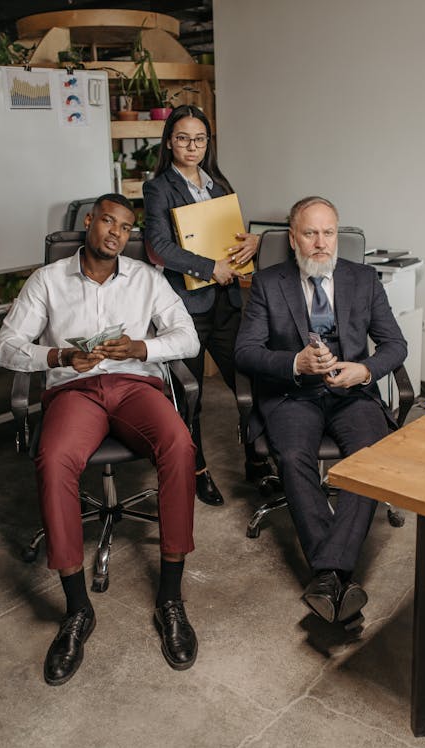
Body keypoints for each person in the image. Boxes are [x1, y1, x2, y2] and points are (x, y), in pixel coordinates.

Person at [0, 193, 200, 684]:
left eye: (125, 227)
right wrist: (58, 358)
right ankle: (77, 609)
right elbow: (5, 345)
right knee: (55, 456)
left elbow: (187, 337)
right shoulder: (47, 280)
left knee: (180, 445)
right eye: (108, 221)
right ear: (90, 222)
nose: (115, 233)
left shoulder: (148, 280)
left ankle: (170, 599)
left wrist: (141, 346)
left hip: (134, 385)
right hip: (76, 390)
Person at [234, 196, 407, 626]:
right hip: (293, 395)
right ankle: (337, 578)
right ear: (292, 238)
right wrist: (295, 363)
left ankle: (327, 577)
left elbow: (395, 345)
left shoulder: (364, 280)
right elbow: (245, 352)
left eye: (328, 233)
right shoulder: (269, 283)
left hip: (351, 395)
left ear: (337, 235)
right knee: (294, 458)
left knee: (368, 459)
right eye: (310, 233)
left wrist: (363, 370)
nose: (320, 243)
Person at [143, 105, 270, 507]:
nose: (192, 146)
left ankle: (258, 459)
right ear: (169, 142)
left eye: (199, 139)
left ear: (207, 142)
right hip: (189, 306)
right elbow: (159, 247)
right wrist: (207, 266)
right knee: (190, 395)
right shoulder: (159, 187)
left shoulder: (218, 182)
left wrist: (253, 241)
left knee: (249, 383)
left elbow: (231, 234)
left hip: (227, 302)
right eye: (183, 138)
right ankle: (196, 471)